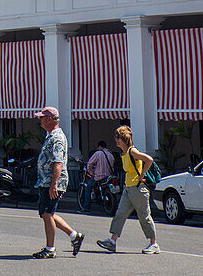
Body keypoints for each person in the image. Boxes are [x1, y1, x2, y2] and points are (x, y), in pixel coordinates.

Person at [97, 125, 160, 254]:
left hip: (138, 189)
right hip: (128, 188)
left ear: (124, 138)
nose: (116, 140)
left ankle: (154, 244)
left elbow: (149, 159)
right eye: (116, 137)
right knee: (120, 214)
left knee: (144, 216)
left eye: (118, 137)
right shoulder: (124, 153)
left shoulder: (132, 151)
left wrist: (142, 175)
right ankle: (112, 241)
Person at [32, 106, 84, 259]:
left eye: (42, 117)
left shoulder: (57, 138)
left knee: (47, 214)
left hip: (51, 183)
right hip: (46, 181)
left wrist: (54, 184)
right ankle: (74, 235)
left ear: (49, 119)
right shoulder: (51, 136)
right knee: (47, 213)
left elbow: (58, 162)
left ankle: (50, 248)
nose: (40, 120)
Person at [83, 139, 115, 208]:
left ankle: (86, 208)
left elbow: (89, 164)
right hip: (109, 177)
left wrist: (92, 173)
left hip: (99, 177)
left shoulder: (98, 153)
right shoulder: (110, 154)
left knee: (88, 188)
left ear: (99, 146)